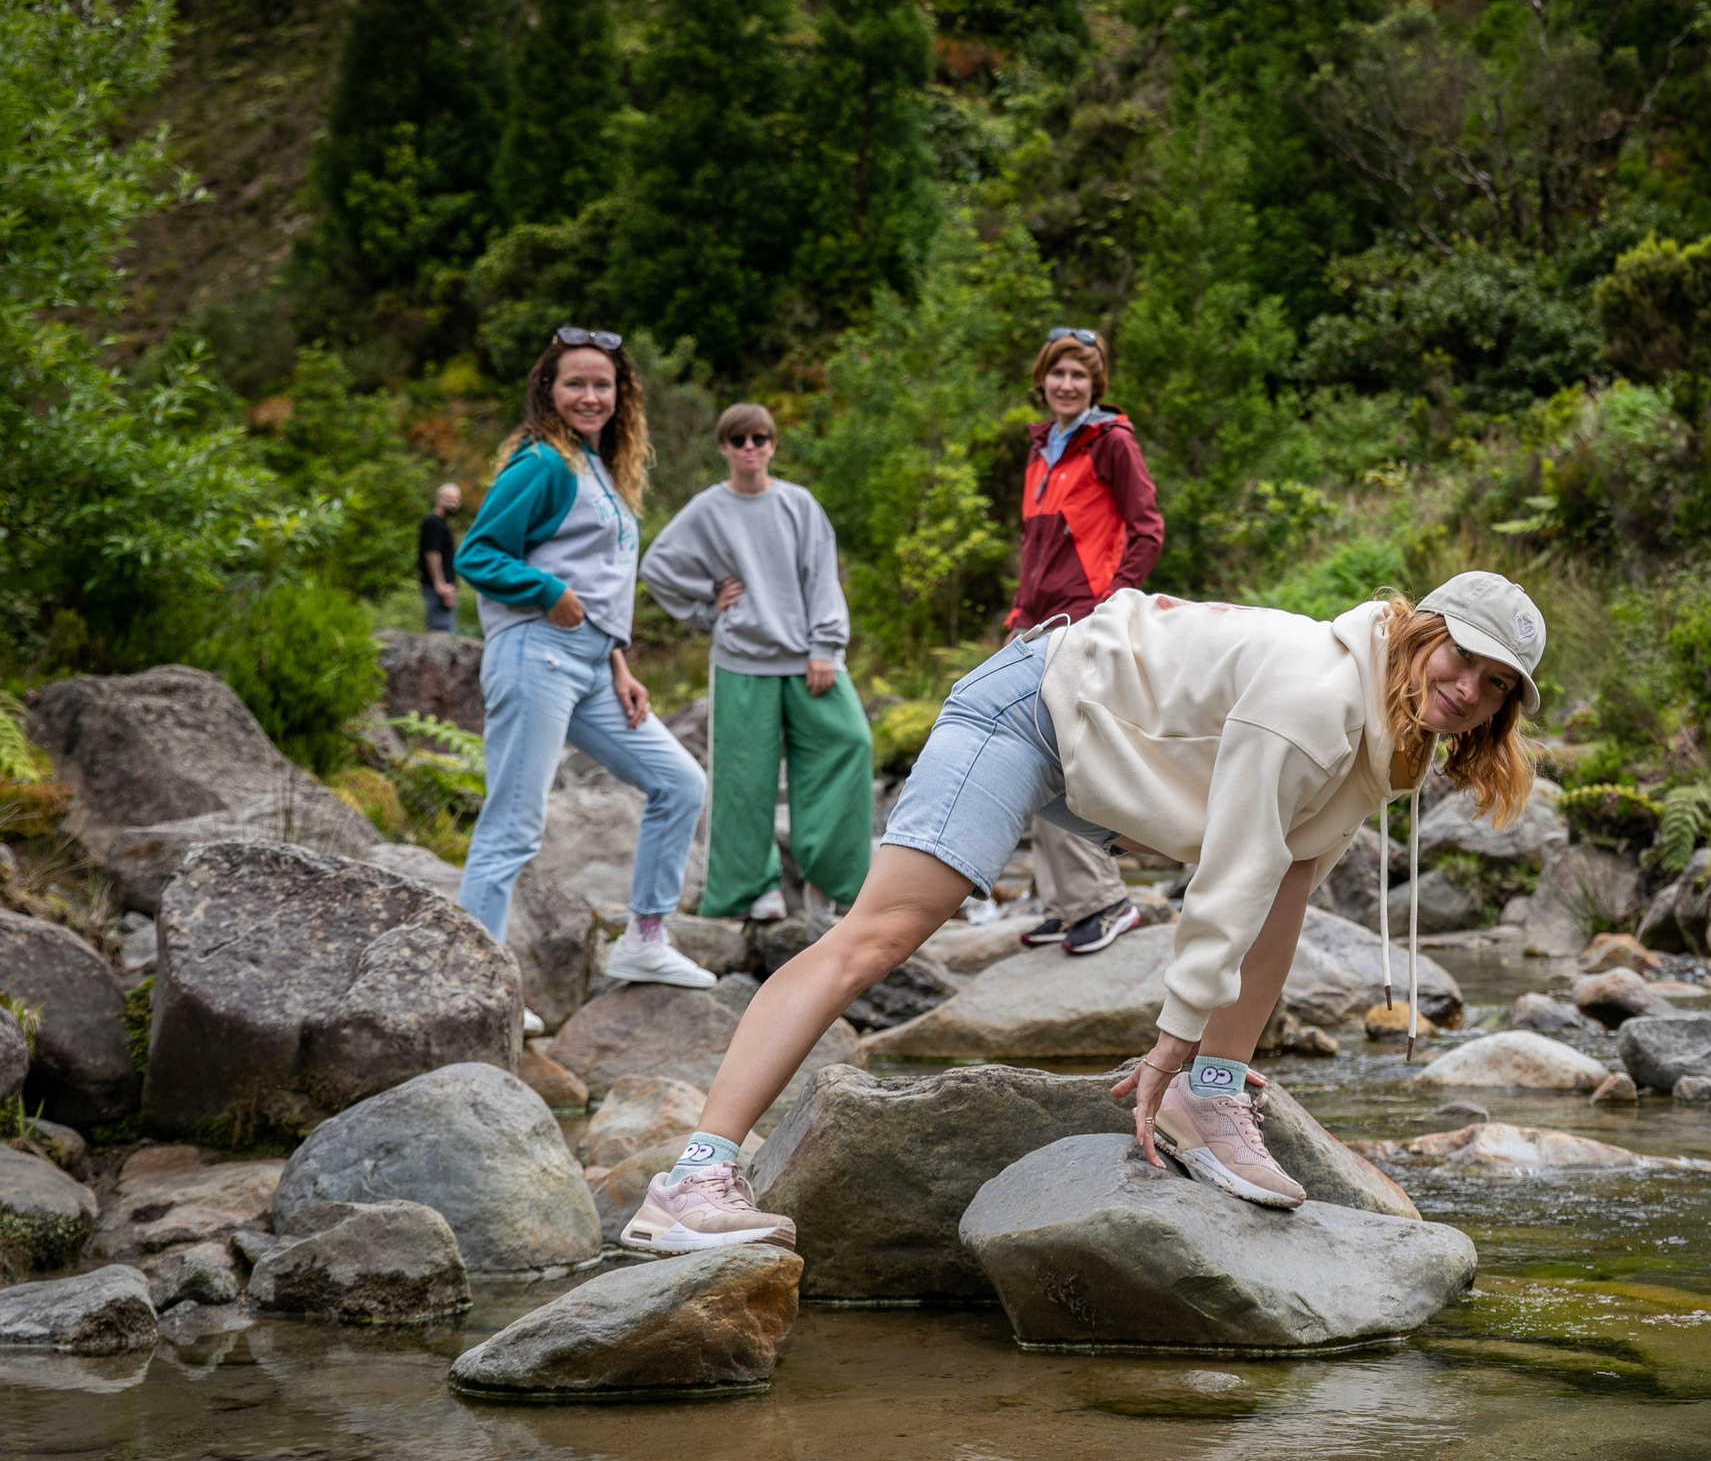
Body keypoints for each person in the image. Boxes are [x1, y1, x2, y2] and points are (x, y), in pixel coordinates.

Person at [618, 570, 1543, 1254]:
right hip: (1031, 710)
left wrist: (1202, 1064)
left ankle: (1211, 1099)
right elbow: (1230, 874)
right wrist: (1172, 1037)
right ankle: (693, 1177)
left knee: (1294, 883)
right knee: (883, 935)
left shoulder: (1392, 725)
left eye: (1496, 685)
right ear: (1426, 634)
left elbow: (1277, 887)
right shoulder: (1316, 697)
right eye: (1463, 658)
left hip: (1102, 745)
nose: (1468, 690)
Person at [454, 327, 711, 992]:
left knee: (680, 783)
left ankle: (645, 939)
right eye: (576, 383)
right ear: (549, 388)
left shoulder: (600, 466)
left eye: (603, 384)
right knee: (513, 824)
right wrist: (548, 593)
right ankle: (475, 985)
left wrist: (619, 662)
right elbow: (477, 555)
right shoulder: (543, 462)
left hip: (594, 667)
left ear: (622, 392)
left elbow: (601, 580)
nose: (590, 396)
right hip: (535, 655)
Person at [640, 402, 873, 928]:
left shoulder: (799, 504)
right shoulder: (708, 508)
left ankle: (831, 878)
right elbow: (658, 567)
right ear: (724, 448)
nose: (751, 448)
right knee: (743, 780)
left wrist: (825, 648)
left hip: (808, 660)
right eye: (739, 440)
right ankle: (752, 889)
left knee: (850, 744)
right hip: (741, 661)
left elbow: (822, 578)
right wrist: (705, 608)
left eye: (760, 439)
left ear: (773, 445)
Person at [1004, 328, 1164, 956]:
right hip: (1037, 617)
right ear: (1042, 381)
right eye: (1057, 374)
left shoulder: (1112, 443)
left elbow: (1146, 531)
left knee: (1065, 751)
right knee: (1029, 747)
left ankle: (1104, 901)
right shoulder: (1044, 445)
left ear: (1094, 385)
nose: (1066, 385)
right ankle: (1065, 902)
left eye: (1079, 376)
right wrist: (1021, 612)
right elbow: (1037, 544)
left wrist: (1110, 605)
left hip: (1080, 618)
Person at [419, 483, 463, 633]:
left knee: (446, 630)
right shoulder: (433, 523)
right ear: (438, 499)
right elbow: (432, 553)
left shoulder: (442, 524)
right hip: (438, 589)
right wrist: (440, 584)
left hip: (445, 587)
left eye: (456, 500)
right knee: (441, 632)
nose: (453, 504)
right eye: (449, 500)